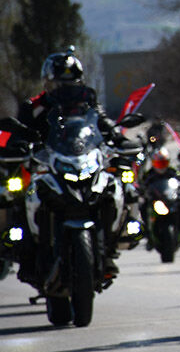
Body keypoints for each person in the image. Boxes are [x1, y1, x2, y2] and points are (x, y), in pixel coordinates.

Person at [16, 47, 134, 280]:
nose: (64, 87)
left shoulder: (87, 99)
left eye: (70, 81)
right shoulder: (35, 106)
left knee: (113, 186)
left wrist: (118, 138)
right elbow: (22, 130)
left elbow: (101, 121)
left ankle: (111, 246)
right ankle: (27, 255)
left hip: (83, 158)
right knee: (24, 196)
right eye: (59, 82)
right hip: (49, 162)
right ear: (48, 82)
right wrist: (18, 143)